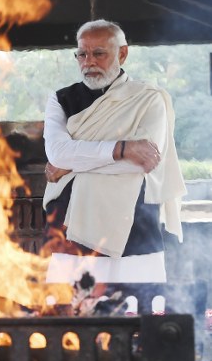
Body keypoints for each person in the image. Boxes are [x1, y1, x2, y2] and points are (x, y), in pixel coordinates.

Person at [42, 19, 186, 296]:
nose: (89, 61)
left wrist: (73, 166)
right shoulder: (60, 99)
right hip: (72, 230)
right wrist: (122, 148)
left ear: (122, 53)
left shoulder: (149, 98)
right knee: (73, 323)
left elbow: (142, 164)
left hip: (135, 226)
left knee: (141, 317)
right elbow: (58, 153)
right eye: (82, 54)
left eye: (99, 53)